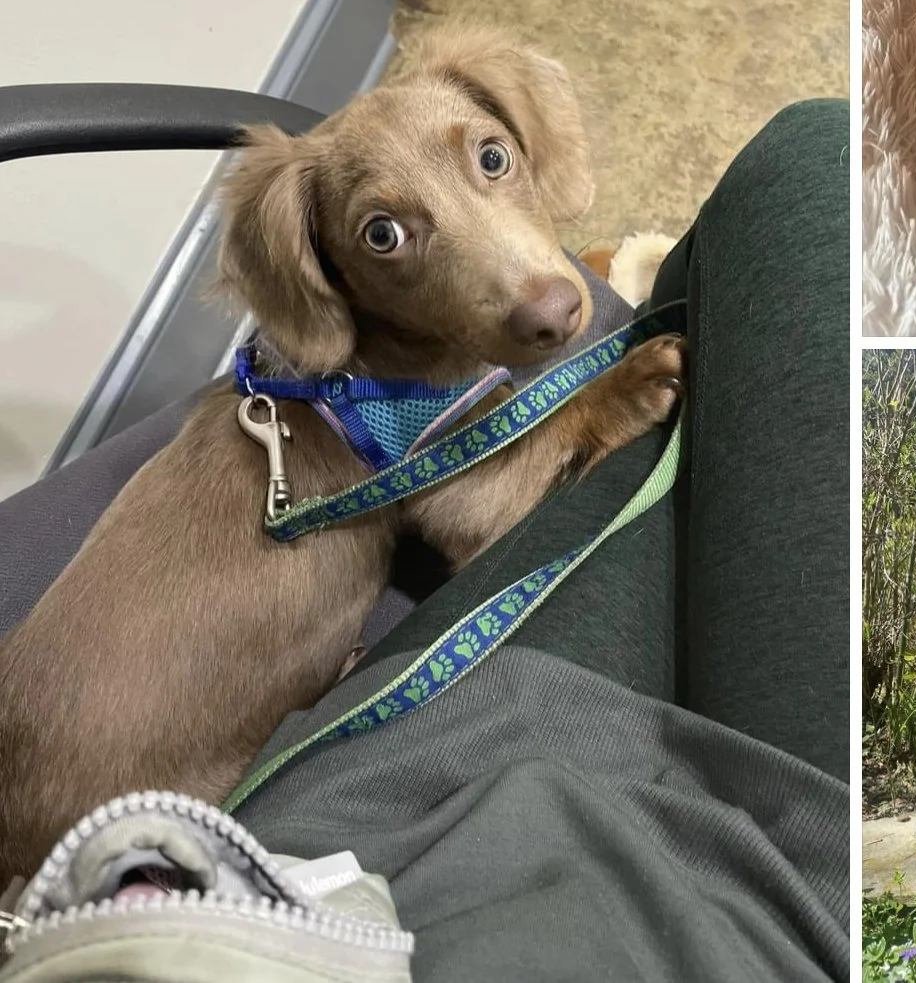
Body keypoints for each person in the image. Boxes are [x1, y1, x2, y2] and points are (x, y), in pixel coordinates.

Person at [0, 100, 851, 981]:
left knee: (806, 154)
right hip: (140, 830)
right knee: (808, 159)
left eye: (492, 158)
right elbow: (489, 520)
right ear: (318, 270)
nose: (546, 297)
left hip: (54, 766)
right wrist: (592, 414)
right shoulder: (381, 401)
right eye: (382, 234)